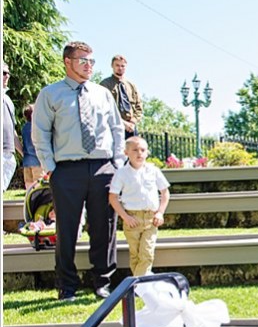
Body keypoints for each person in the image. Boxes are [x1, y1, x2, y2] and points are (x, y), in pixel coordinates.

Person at [32, 41, 125, 301]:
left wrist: (117, 163)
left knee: (104, 228)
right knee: (67, 229)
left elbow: (117, 128)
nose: (89, 65)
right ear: (68, 62)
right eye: (83, 60)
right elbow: (40, 133)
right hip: (67, 171)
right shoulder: (51, 94)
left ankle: (102, 283)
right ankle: (67, 286)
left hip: (102, 167)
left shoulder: (102, 93)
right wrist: (51, 169)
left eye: (92, 61)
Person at [109, 136, 171, 277]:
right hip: (132, 219)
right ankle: (141, 284)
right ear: (126, 152)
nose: (139, 153)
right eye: (135, 150)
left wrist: (160, 212)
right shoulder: (121, 173)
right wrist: (125, 217)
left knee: (147, 253)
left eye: (143, 150)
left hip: (150, 219)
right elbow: (113, 197)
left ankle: (137, 284)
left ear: (147, 152)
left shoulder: (153, 171)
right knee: (136, 255)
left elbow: (165, 193)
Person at [100, 54, 143, 139]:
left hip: (131, 127)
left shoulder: (131, 85)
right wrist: (123, 123)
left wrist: (133, 122)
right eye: (117, 65)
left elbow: (139, 106)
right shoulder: (104, 84)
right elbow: (103, 108)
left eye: (123, 66)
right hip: (113, 127)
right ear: (112, 66)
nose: (120, 68)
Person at [2, 61, 23, 191]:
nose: (7, 76)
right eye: (3, 73)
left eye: (8, 73)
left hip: (9, 154)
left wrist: (23, 153)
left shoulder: (7, 100)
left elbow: (12, 129)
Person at [20, 104, 44, 188]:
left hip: (27, 161)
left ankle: (29, 200)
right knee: (39, 185)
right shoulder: (37, 127)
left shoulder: (24, 128)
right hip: (37, 161)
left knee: (29, 185)